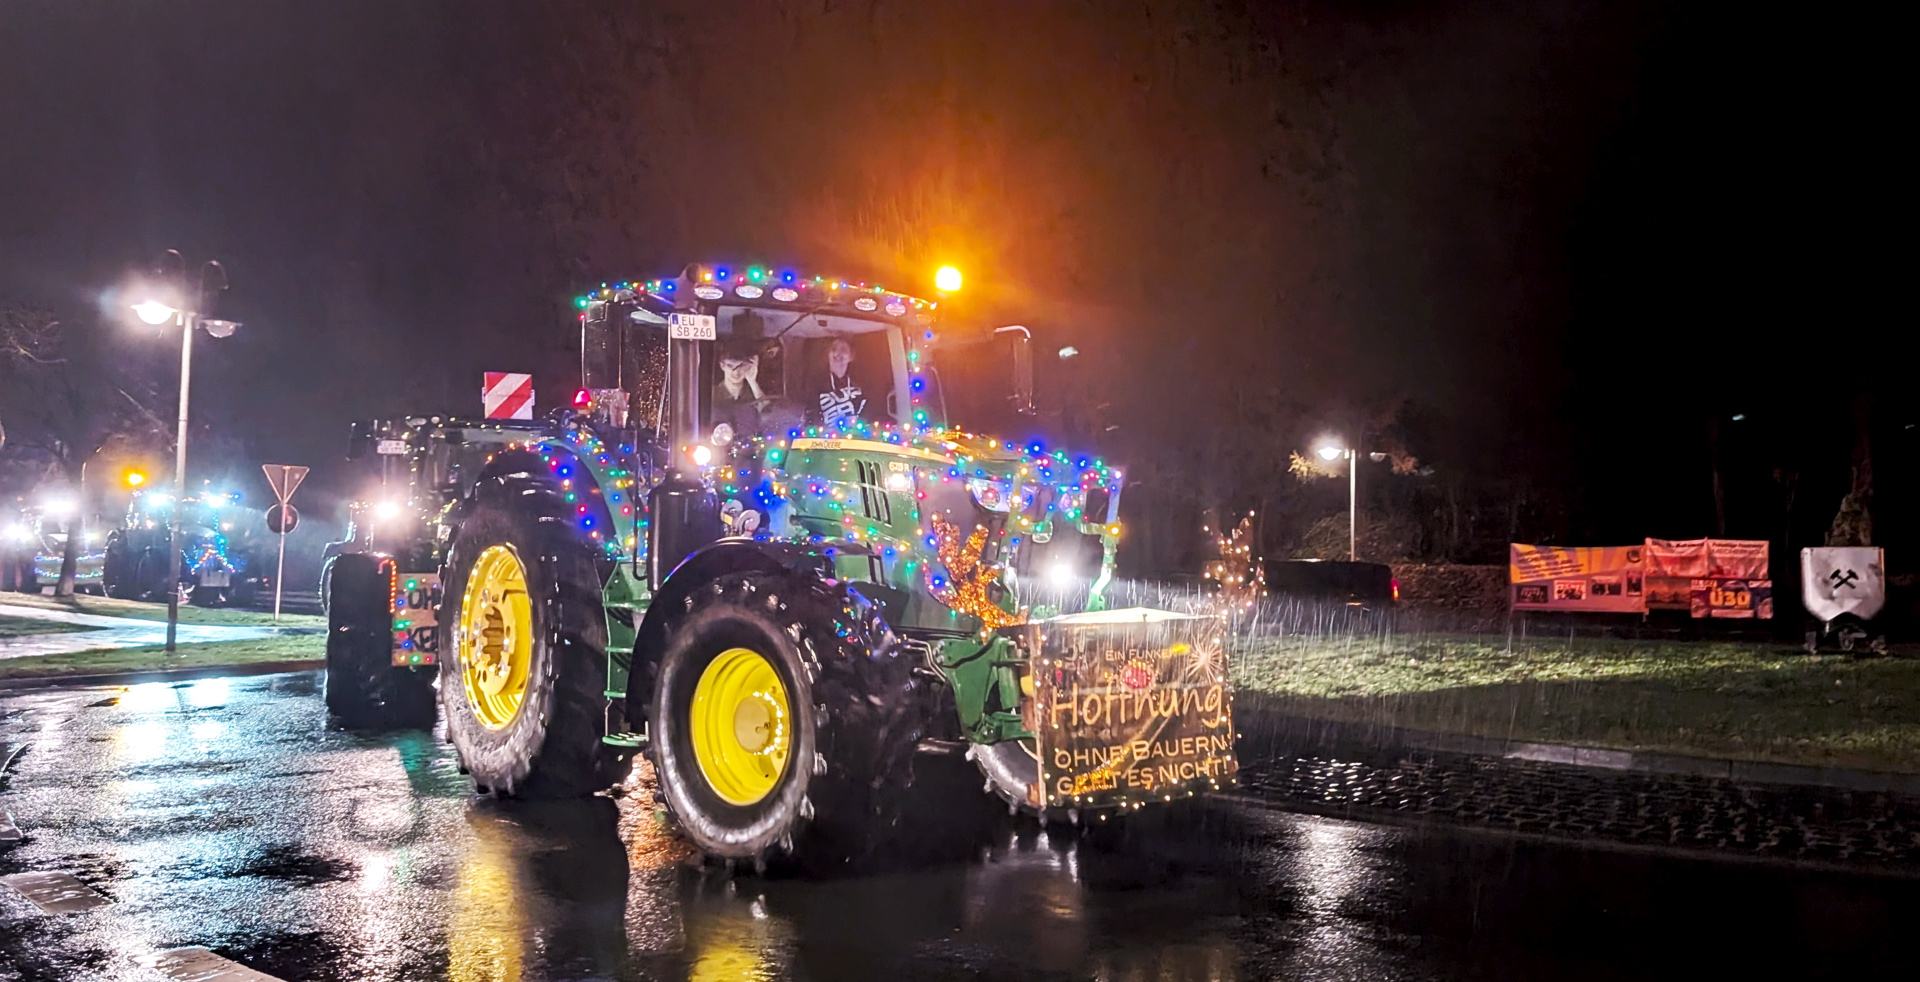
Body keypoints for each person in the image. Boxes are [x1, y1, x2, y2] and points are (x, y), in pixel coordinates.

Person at [812, 337, 865, 425]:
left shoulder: (860, 383)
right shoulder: (815, 384)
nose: (837, 353)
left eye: (843, 350)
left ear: (851, 356)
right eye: (833, 349)